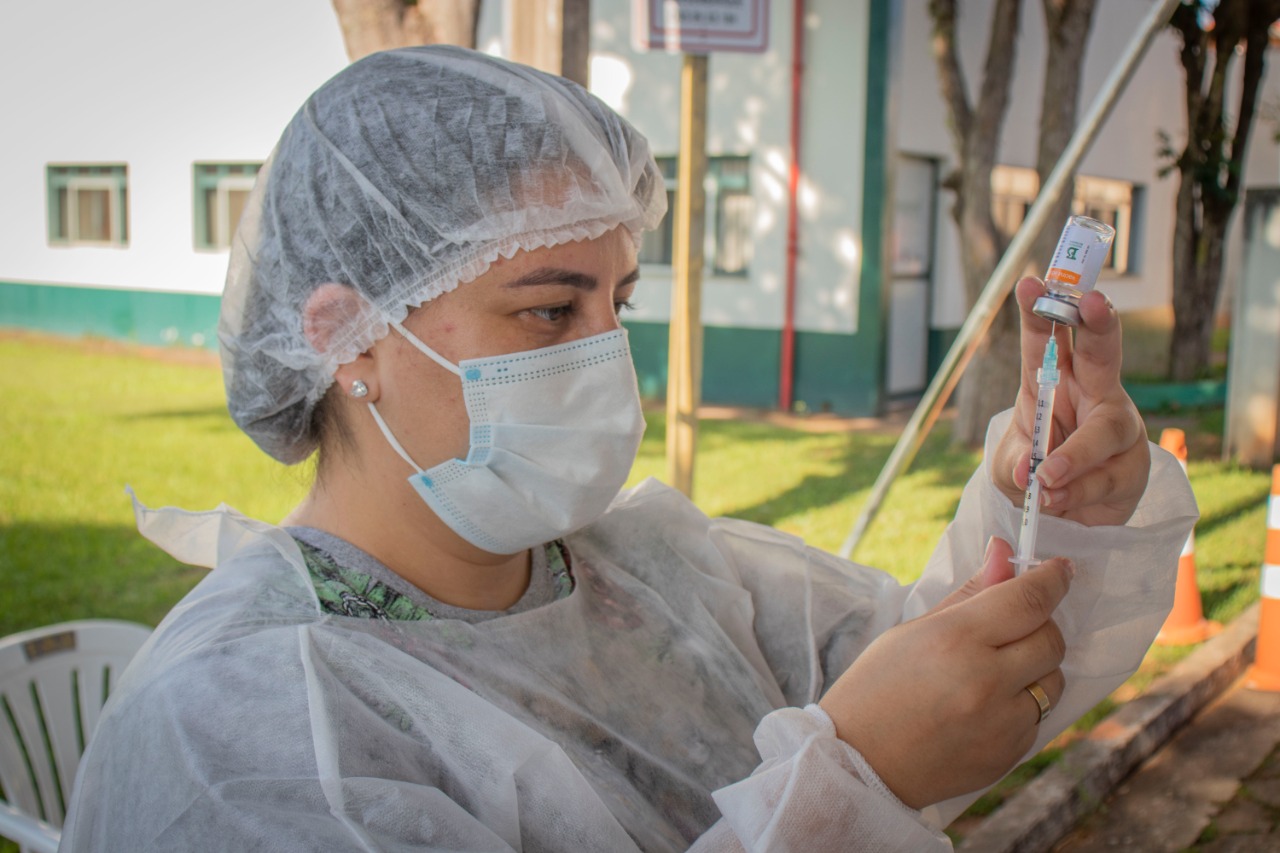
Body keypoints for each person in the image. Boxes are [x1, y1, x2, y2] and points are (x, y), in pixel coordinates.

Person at [60, 46, 1196, 852]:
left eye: (618, 302)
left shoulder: (646, 570)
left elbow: (951, 681)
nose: (607, 359)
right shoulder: (238, 730)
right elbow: (883, 739)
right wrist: (847, 786)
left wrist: (1058, 507)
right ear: (346, 337)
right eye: (549, 313)